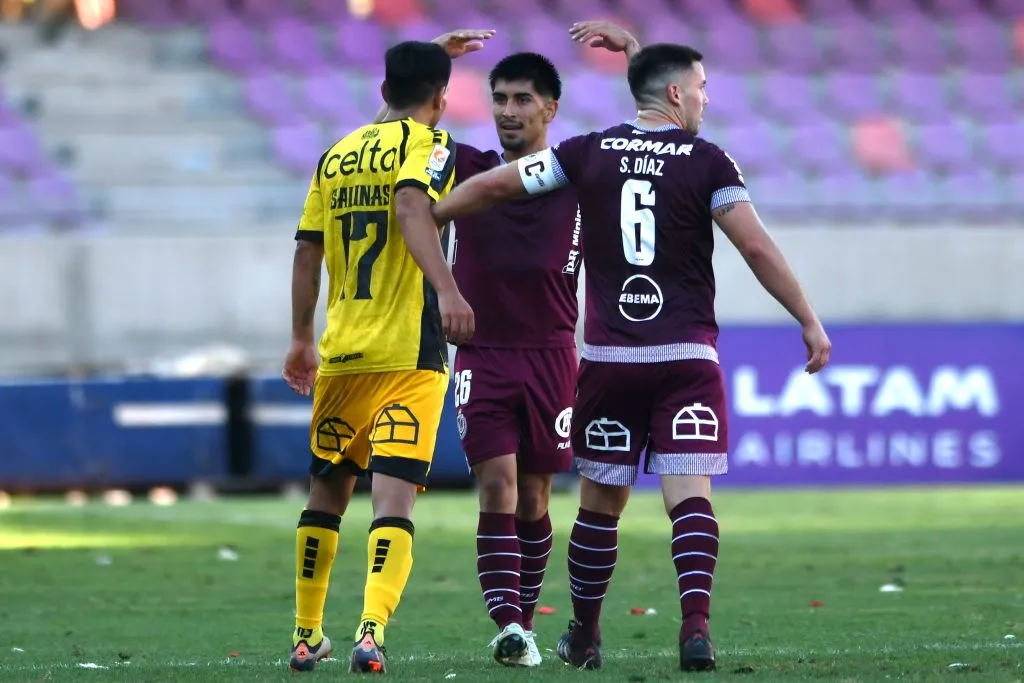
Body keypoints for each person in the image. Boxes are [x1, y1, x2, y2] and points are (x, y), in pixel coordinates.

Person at [430, 43, 832, 672]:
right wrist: (807, 318)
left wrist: (436, 214)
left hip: (609, 359)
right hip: (686, 354)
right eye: (699, 85)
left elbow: (499, 184)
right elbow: (754, 248)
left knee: (598, 505)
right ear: (676, 93)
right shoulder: (708, 161)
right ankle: (695, 625)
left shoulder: (588, 153)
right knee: (688, 497)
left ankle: (585, 635)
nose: (704, 95)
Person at [280, 39, 480, 674]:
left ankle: (306, 634)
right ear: (442, 99)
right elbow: (412, 202)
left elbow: (307, 251)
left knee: (326, 492)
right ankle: (370, 630)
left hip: (341, 353)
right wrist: (449, 288)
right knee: (393, 501)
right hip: (410, 351)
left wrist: (299, 338)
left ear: (382, 91)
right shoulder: (433, 147)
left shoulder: (334, 156)